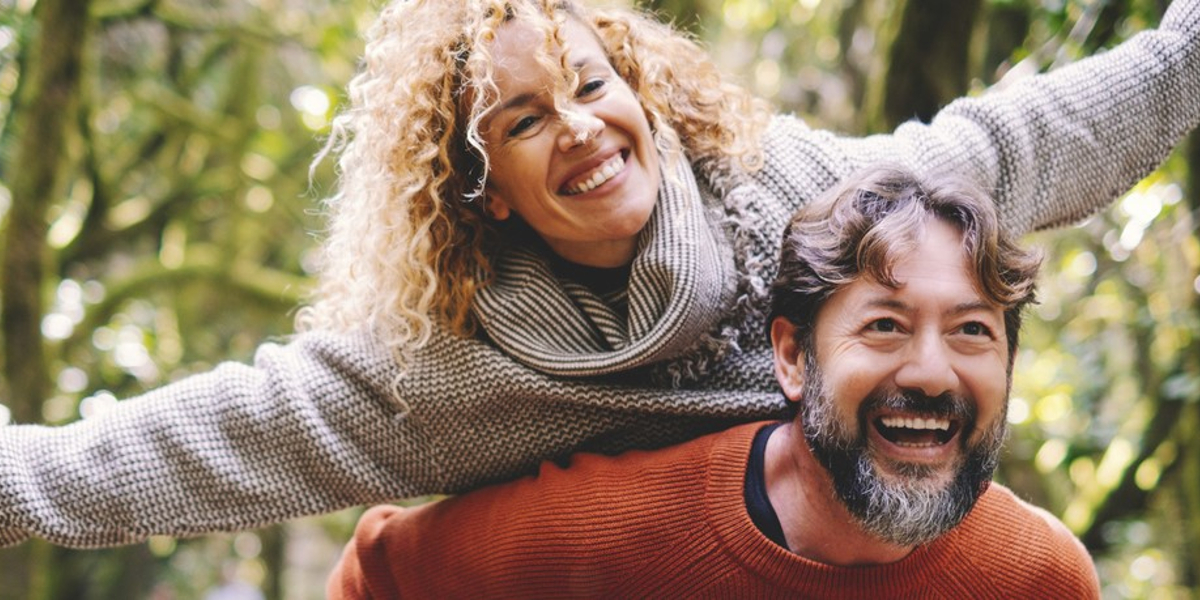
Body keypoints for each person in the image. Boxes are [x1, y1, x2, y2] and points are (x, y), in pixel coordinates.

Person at [1, 0, 1199, 548]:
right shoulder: (452, 362)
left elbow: (1015, 144)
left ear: (642, 94)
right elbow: (223, 434)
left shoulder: (788, 190)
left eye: (590, 83)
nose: (578, 127)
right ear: (481, 188)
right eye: (522, 121)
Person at [326, 165, 1100, 598]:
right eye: (885, 326)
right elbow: (380, 577)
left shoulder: (1041, 578)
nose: (932, 373)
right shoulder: (609, 531)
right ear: (794, 358)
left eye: (972, 332)